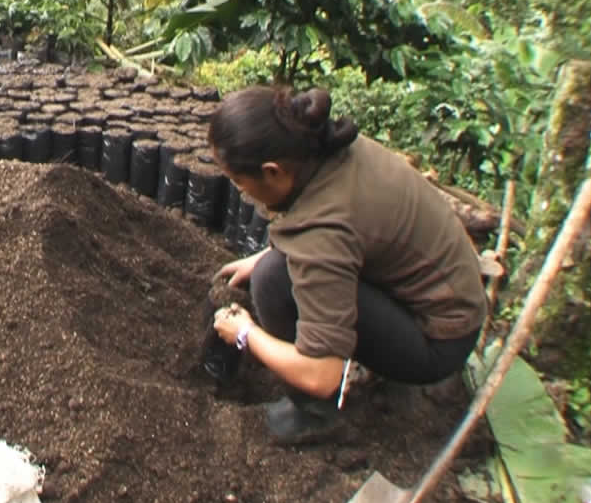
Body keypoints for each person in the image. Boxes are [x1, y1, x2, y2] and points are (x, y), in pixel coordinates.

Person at [207, 85, 487, 443]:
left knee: (273, 281)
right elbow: (344, 232)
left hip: (438, 340)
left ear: (273, 171)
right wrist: (263, 254)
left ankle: (312, 416)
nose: (241, 192)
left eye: (238, 181)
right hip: (449, 296)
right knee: (272, 265)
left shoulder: (323, 233)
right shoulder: (328, 146)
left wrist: (245, 333)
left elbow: (321, 373)